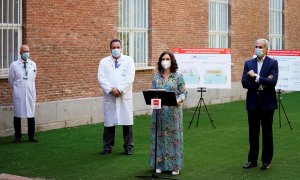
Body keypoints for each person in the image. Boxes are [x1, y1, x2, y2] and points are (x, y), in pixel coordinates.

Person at [241, 38, 278, 170]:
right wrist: (262, 82)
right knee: (253, 133)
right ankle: (252, 160)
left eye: (260, 47)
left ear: (266, 49)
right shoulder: (248, 63)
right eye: (256, 46)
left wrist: (255, 76)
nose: (258, 48)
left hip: (267, 104)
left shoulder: (273, 63)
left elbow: (272, 83)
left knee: (267, 133)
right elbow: (244, 82)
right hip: (253, 103)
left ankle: (266, 161)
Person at [149, 51, 187, 176]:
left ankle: (175, 166)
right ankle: (159, 165)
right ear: (160, 61)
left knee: (173, 138)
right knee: (159, 137)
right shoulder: (156, 77)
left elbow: (183, 93)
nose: (165, 61)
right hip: (159, 113)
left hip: (173, 113)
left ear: (172, 61)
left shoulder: (178, 76)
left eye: (167, 58)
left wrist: (178, 100)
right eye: (163, 59)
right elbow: (153, 93)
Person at [97, 39, 135, 155]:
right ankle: (107, 147)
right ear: (110, 49)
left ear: (121, 48)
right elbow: (101, 78)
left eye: (118, 47)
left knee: (127, 122)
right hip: (110, 96)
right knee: (109, 122)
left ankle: (128, 147)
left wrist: (119, 89)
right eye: (114, 47)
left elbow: (130, 77)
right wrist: (111, 89)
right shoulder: (104, 62)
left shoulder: (128, 60)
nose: (116, 49)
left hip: (124, 95)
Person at [8, 45, 38, 143]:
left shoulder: (33, 64)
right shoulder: (14, 65)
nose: (26, 53)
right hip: (19, 94)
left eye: (28, 51)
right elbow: (11, 80)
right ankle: (18, 137)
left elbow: (33, 78)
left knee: (31, 115)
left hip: (30, 93)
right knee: (17, 116)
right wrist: (18, 88)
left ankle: (32, 136)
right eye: (24, 51)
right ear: (20, 52)